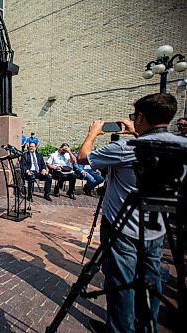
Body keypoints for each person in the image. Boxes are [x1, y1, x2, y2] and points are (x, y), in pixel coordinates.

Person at [77, 93, 187, 332]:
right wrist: (138, 132)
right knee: (151, 281)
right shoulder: (182, 145)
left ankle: (120, 329)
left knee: (121, 283)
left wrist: (93, 133)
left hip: (122, 227)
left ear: (140, 116)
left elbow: (83, 157)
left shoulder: (126, 147)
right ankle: (146, 327)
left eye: (133, 116)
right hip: (157, 227)